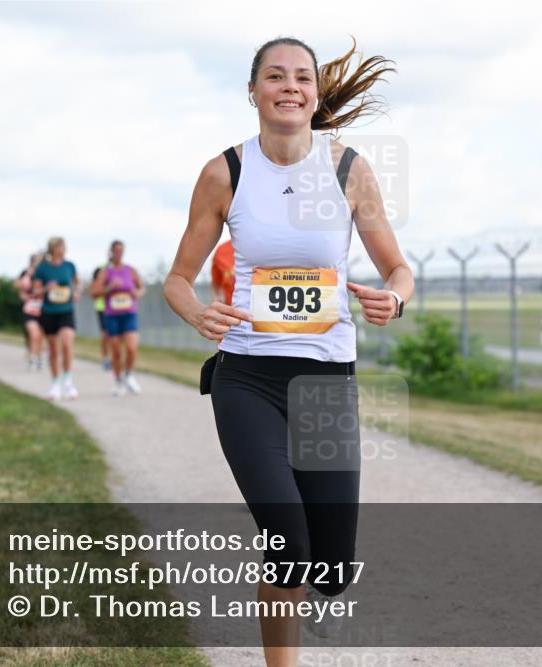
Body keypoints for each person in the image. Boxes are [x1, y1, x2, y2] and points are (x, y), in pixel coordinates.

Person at [164, 37, 408, 666]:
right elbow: (176, 279)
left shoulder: (349, 169)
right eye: (275, 76)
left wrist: (394, 299)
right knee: (287, 545)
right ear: (253, 91)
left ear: (315, 93)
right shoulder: (226, 172)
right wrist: (197, 312)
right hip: (248, 380)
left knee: (329, 568)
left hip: (327, 381)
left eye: (301, 77)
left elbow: (398, 269)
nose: (289, 86)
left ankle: (319, 587)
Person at [90, 240, 145, 396]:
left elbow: (141, 288)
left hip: (129, 314)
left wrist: (137, 293)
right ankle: (118, 380)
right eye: (116, 250)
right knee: (116, 350)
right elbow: (94, 293)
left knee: (132, 347)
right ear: (111, 252)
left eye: (122, 250)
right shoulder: (105, 272)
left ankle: (128, 374)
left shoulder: (130, 270)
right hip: (112, 316)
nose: (119, 253)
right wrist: (109, 287)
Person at [33, 237, 81, 400]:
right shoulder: (42, 268)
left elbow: (77, 283)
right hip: (49, 311)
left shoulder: (69, 266)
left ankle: (68, 382)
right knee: (53, 349)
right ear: (52, 248)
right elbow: (35, 291)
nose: (63, 248)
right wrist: (47, 287)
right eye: (60, 246)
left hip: (66, 310)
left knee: (67, 342)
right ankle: (55, 383)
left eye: (64, 246)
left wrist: (76, 292)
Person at [15, 253, 46, 371]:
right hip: (29, 309)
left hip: (43, 309)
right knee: (33, 333)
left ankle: (37, 356)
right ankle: (33, 357)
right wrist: (22, 293)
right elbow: (17, 285)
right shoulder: (26, 273)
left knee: (40, 336)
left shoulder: (45, 273)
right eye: (34, 260)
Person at [91, 266, 111, 370]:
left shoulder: (110, 278)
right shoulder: (97, 282)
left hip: (113, 309)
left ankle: (115, 358)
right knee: (105, 335)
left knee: (114, 336)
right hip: (101, 309)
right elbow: (93, 294)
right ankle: (105, 358)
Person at [211, 239, 236, 306]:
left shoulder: (264, 245)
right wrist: (217, 300)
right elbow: (216, 285)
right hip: (233, 313)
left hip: (264, 310)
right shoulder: (222, 250)